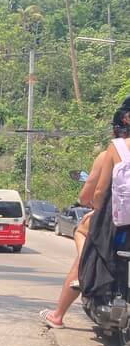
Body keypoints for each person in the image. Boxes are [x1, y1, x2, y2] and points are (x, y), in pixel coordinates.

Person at [40, 107, 130, 328]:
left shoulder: (112, 150)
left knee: (83, 233)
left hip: (118, 220)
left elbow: (93, 194)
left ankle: (59, 313)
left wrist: (97, 209)